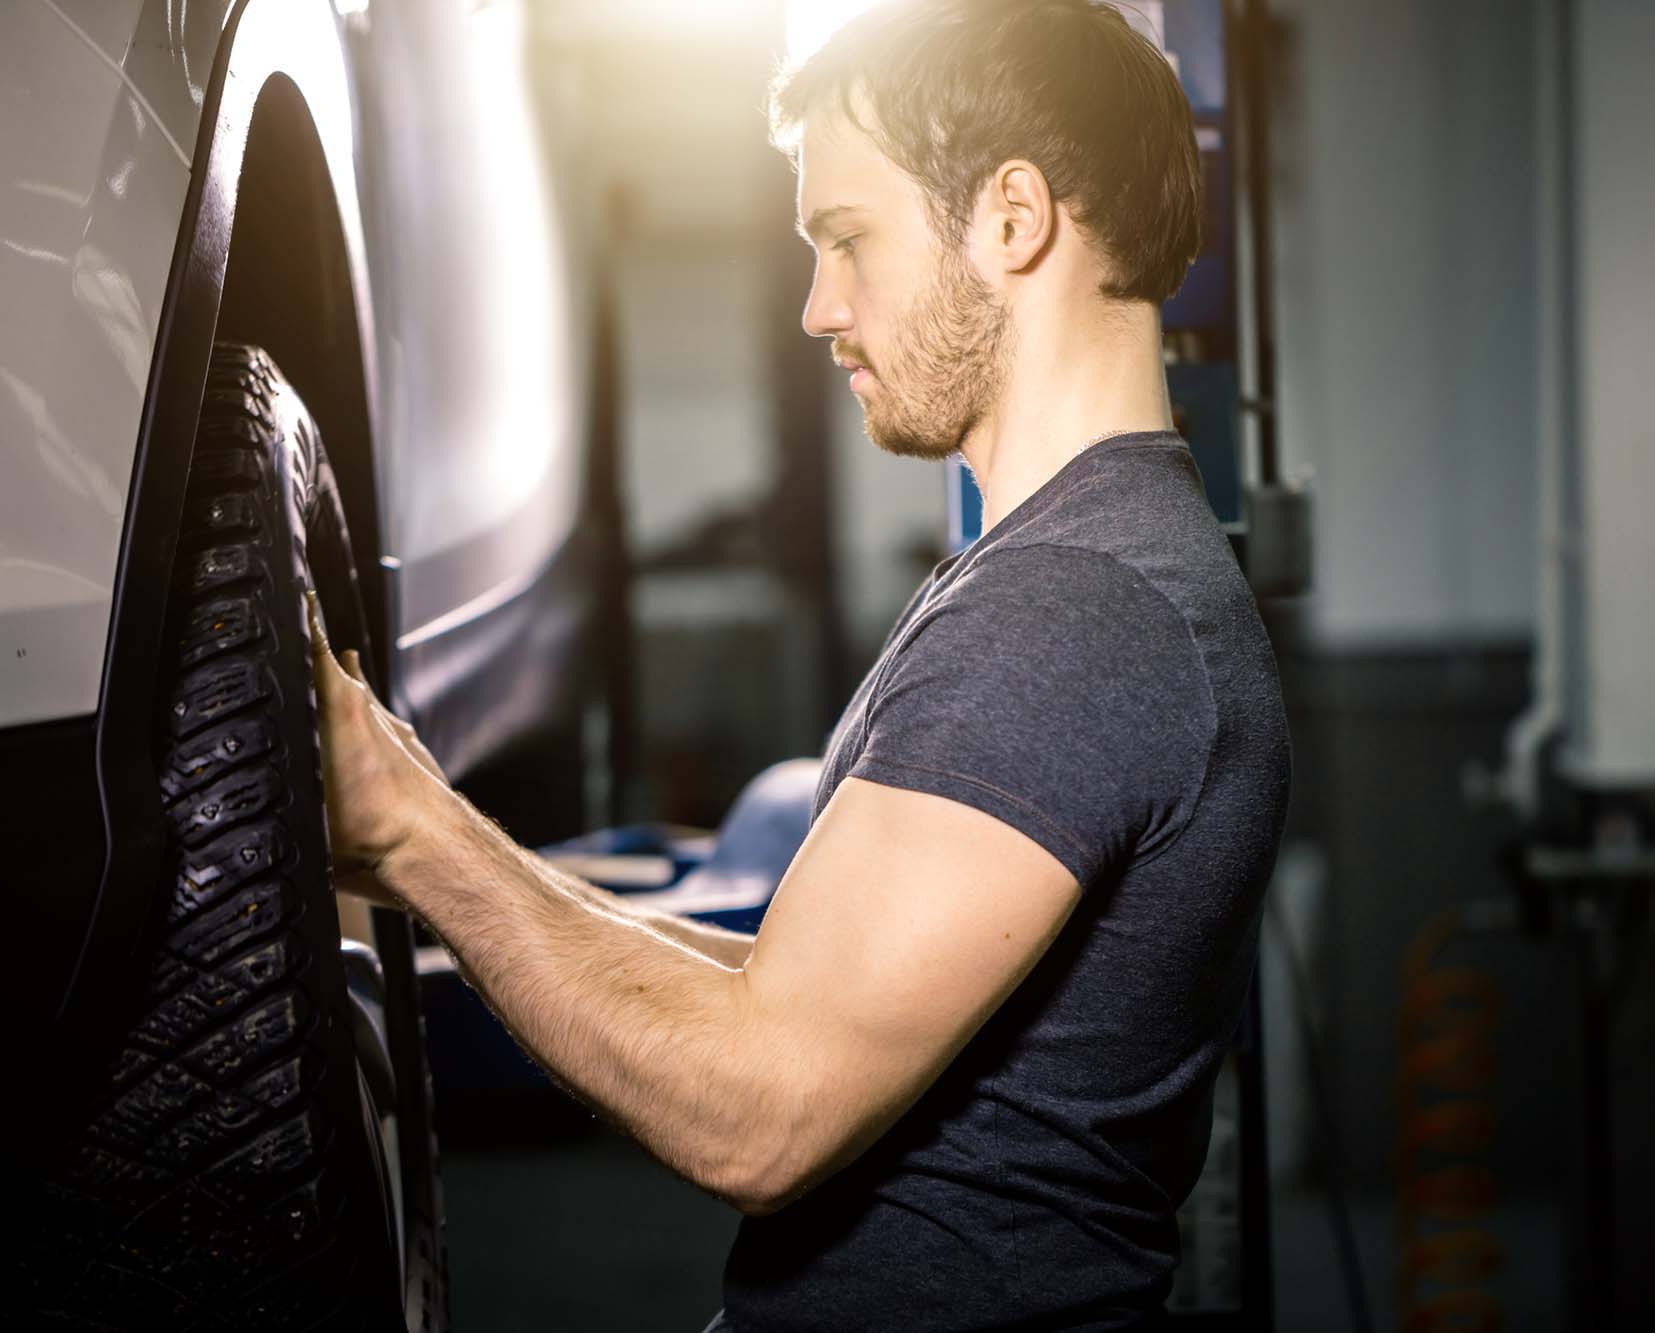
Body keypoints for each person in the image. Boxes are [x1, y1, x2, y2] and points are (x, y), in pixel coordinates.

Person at [308, 1, 1291, 1328]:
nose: (822, 307)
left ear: (1013, 219)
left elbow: (763, 1103)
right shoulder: (1083, 572)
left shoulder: (1083, 609)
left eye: (849, 240)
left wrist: (421, 836)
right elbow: (784, 988)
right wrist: (453, 860)